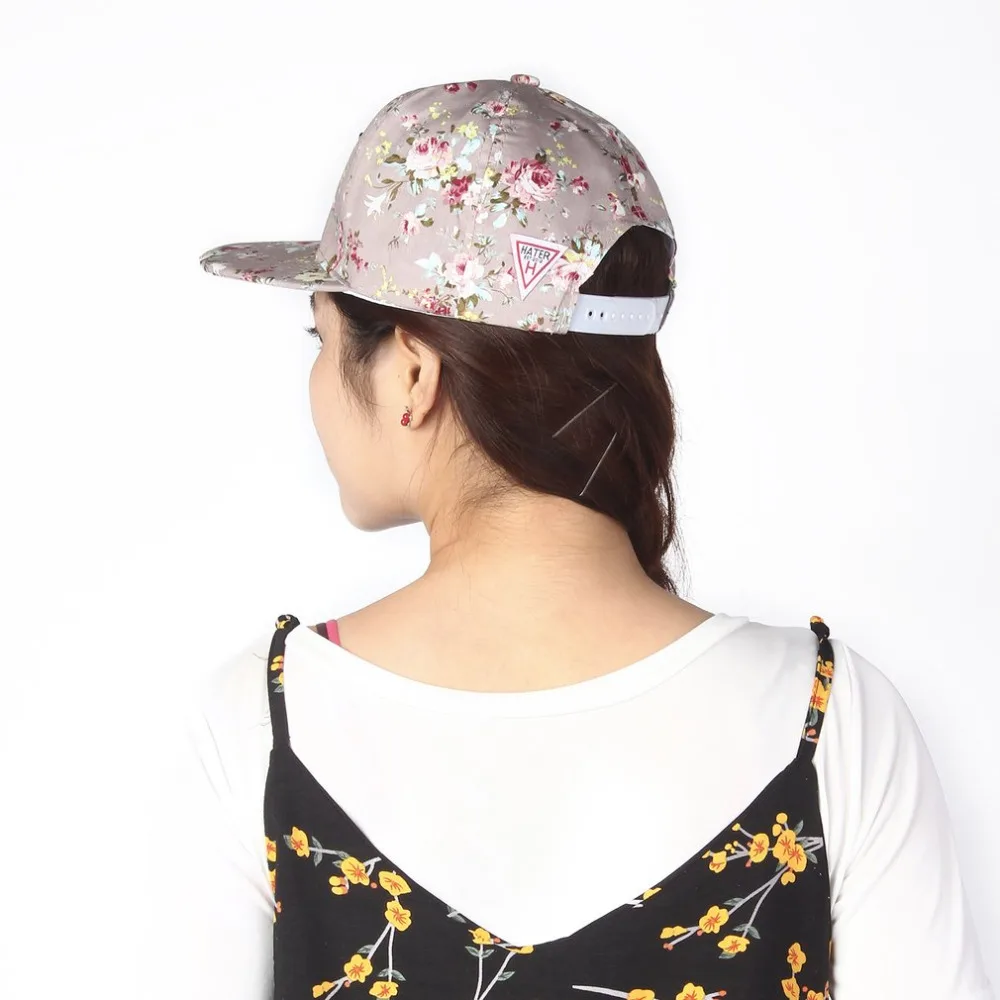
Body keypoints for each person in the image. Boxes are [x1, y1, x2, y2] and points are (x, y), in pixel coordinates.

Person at [188, 74, 993, 999]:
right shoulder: (835, 720)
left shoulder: (263, 723)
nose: (317, 380)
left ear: (411, 373)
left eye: (321, 340)